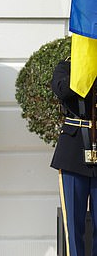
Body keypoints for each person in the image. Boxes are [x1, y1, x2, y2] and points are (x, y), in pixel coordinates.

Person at [50, 59, 97, 256]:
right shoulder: (66, 66)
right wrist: (85, 69)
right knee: (74, 225)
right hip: (73, 151)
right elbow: (61, 90)